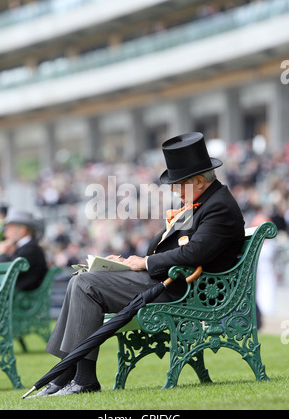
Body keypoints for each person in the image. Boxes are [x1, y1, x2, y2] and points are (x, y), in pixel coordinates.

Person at [36, 132, 245, 397]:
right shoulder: (202, 202)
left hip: (185, 292)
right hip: (170, 281)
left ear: (200, 181)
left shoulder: (218, 207)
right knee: (82, 277)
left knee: (86, 285)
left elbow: (193, 253)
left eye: (178, 183)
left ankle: (81, 377)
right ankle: (68, 372)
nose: (173, 189)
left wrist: (144, 262)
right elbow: (158, 250)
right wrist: (125, 264)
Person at [0, 208, 48, 291]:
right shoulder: (28, 248)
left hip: (20, 299)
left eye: (9, 229)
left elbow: (0, 272)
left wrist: (3, 253)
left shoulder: (30, 249)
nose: (5, 234)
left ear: (22, 230)